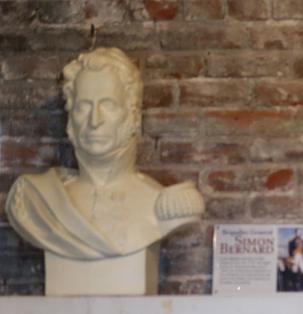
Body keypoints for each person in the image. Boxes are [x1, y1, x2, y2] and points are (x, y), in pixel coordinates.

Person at [4, 47, 203, 294]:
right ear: (70, 119)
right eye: (83, 107)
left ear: (132, 115)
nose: (94, 120)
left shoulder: (158, 204)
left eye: (107, 105)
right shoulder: (36, 200)